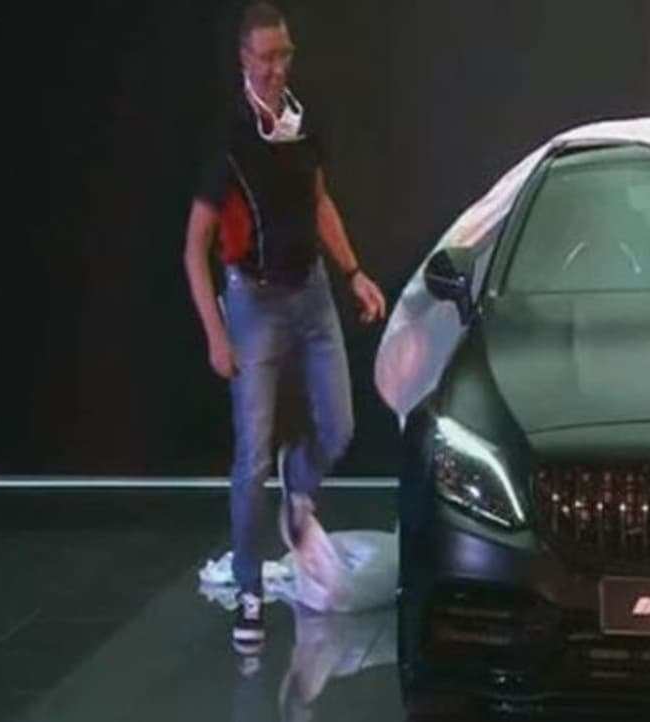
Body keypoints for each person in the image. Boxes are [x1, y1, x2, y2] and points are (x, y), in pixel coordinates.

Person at [183, 2, 386, 654]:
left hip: (312, 292)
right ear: (244, 59)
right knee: (251, 456)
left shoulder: (304, 118)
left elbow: (319, 201)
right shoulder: (230, 134)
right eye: (265, 58)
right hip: (254, 303)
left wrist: (353, 272)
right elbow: (194, 246)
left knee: (339, 426)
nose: (276, 68)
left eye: (284, 55)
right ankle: (250, 588)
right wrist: (216, 335)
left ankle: (300, 493)